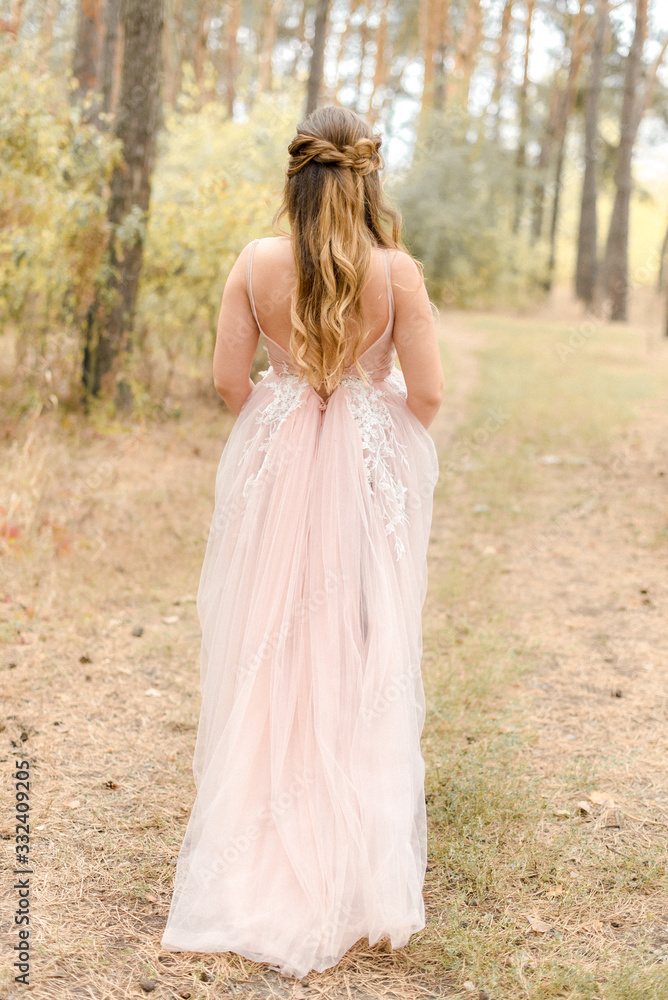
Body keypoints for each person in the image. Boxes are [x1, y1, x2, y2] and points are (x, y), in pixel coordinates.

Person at [160, 105, 444, 979]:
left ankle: (257, 846)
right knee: (361, 648)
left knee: (269, 647)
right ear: (368, 179)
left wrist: (287, 423)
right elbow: (427, 396)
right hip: (362, 478)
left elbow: (224, 379)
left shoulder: (255, 262)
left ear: (296, 176)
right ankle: (354, 869)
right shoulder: (396, 272)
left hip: (280, 469)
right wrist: (367, 433)